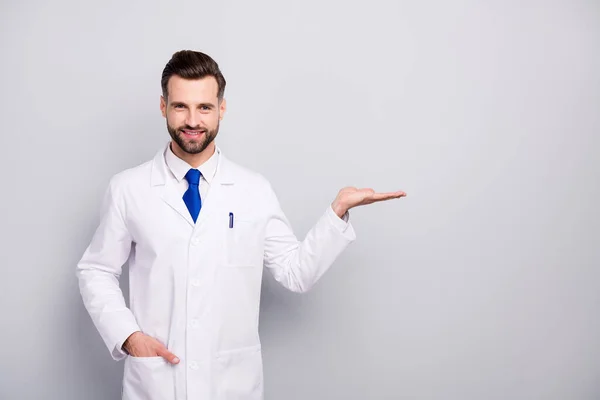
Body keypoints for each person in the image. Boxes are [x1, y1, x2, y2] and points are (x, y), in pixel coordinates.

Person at [76, 50, 406, 400]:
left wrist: (337, 211)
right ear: (163, 107)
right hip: (156, 384)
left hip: (231, 385)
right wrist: (128, 337)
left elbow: (297, 273)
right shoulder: (129, 188)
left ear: (222, 108)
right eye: (180, 107)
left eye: (204, 107)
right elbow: (95, 269)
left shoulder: (254, 190)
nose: (192, 120)